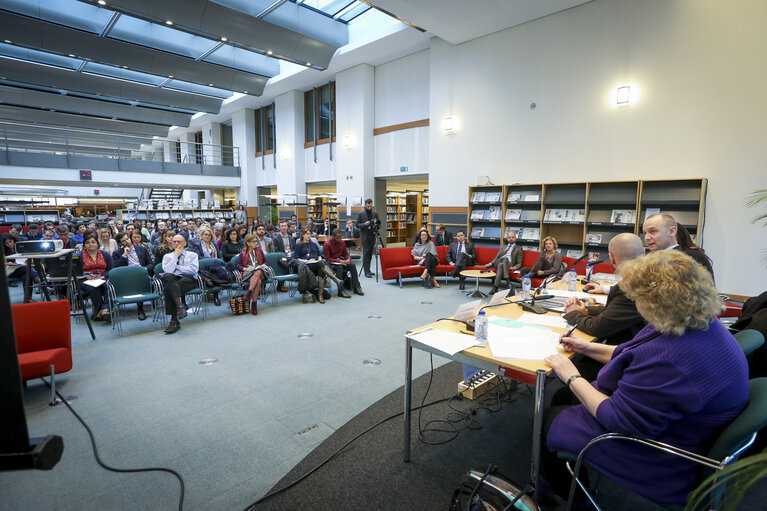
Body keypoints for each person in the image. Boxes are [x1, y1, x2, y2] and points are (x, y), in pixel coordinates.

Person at [542, 250, 748, 506]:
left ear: (655, 302)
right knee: (564, 396)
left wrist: (571, 376)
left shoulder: (674, 360)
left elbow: (619, 420)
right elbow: (633, 353)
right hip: (682, 425)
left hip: (664, 454)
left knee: (546, 419)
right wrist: (587, 348)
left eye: (636, 298)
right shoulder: (691, 322)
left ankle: (571, 498)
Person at [559, 233, 646, 384]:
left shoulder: (631, 286)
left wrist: (573, 313)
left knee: (567, 372)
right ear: (644, 253)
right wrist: (586, 311)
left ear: (611, 258)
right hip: (637, 351)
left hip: (626, 361)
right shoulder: (647, 278)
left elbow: (597, 328)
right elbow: (618, 311)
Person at [642, 213, 714, 279]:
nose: (647, 238)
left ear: (672, 231)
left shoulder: (693, 257)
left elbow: (705, 290)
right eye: (645, 233)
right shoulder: (647, 261)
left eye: (652, 231)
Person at [294, 228, 345, 303]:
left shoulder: (313, 244)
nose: (309, 236)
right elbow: (296, 258)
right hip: (306, 266)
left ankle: (320, 295)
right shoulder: (299, 245)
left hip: (316, 264)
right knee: (321, 264)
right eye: (307, 234)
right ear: (302, 235)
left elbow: (319, 255)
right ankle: (336, 280)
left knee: (321, 269)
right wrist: (308, 260)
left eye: (309, 234)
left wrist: (318, 259)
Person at [161, 235, 199, 334]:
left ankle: (174, 320)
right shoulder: (167, 256)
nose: (176, 243)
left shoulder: (192, 255)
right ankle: (180, 306)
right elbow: (168, 271)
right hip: (173, 280)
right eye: (174, 241)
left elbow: (193, 270)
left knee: (168, 287)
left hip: (188, 280)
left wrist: (177, 266)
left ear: (184, 243)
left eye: (179, 241)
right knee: (168, 278)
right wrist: (175, 256)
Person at [112, 231, 153, 321]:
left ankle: (140, 308)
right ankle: (140, 309)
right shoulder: (117, 253)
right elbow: (116, 268)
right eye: (123, 241)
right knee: (136, 281)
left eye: (127, 238)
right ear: (120, 243)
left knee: (140, 280)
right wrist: (124, 255)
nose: (127, 241)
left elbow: (150, 264)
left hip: (142, 274)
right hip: (127, 277)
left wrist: (143, 270)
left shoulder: (142, 249)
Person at [77, 234, 113, 322]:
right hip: (85, 280)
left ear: (97, 244)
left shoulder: (105, 254)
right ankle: (101, 310)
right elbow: (75, 271)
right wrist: (86, 275)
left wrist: (103, 277)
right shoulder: (78, 256)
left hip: (103, 278)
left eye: (93, 242)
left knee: (109, 285)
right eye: (88, 243)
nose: (91, 244)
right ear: (84, 245)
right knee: (93, 288)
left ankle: (103, 309)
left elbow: (111, 269)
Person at [322, 228, 361, 297]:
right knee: (339, 268)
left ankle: (356, 287)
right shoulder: (327, 244)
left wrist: (348, 259)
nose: (339, 239)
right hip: (331, 264)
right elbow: (328, 259)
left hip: (340, 261)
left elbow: (345, 253)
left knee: (352, 266)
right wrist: (339, 261)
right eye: (337, 238)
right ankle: (341, 291)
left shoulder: (342, 242)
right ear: (332, 236)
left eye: (340, 238)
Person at [236, 234, 266, 315]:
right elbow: (238, 266)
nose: (256, 243)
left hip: (259, 271)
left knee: (258, 272)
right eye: (253, 242)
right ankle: (254, 304)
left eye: (256, 241)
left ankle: (248, 293)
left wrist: (262, 265)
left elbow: (265, 261)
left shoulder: (259, 251)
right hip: (248, 273)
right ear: (248, 243)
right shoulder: (243, 253)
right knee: (258, 281)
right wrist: (245, 269)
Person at [356, 199, 381, 278]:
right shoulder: (361, 214)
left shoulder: (375, 213)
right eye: (368, 206)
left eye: (370, 206)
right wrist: (364, 224)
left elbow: (378, 222)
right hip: (365, 236)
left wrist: (377, 227)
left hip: (372, 235)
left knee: (370, 254)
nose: (369, 208)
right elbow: (357, 225)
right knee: (366, 254)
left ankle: (369, 269)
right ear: (365, 205)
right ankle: (366, 271)